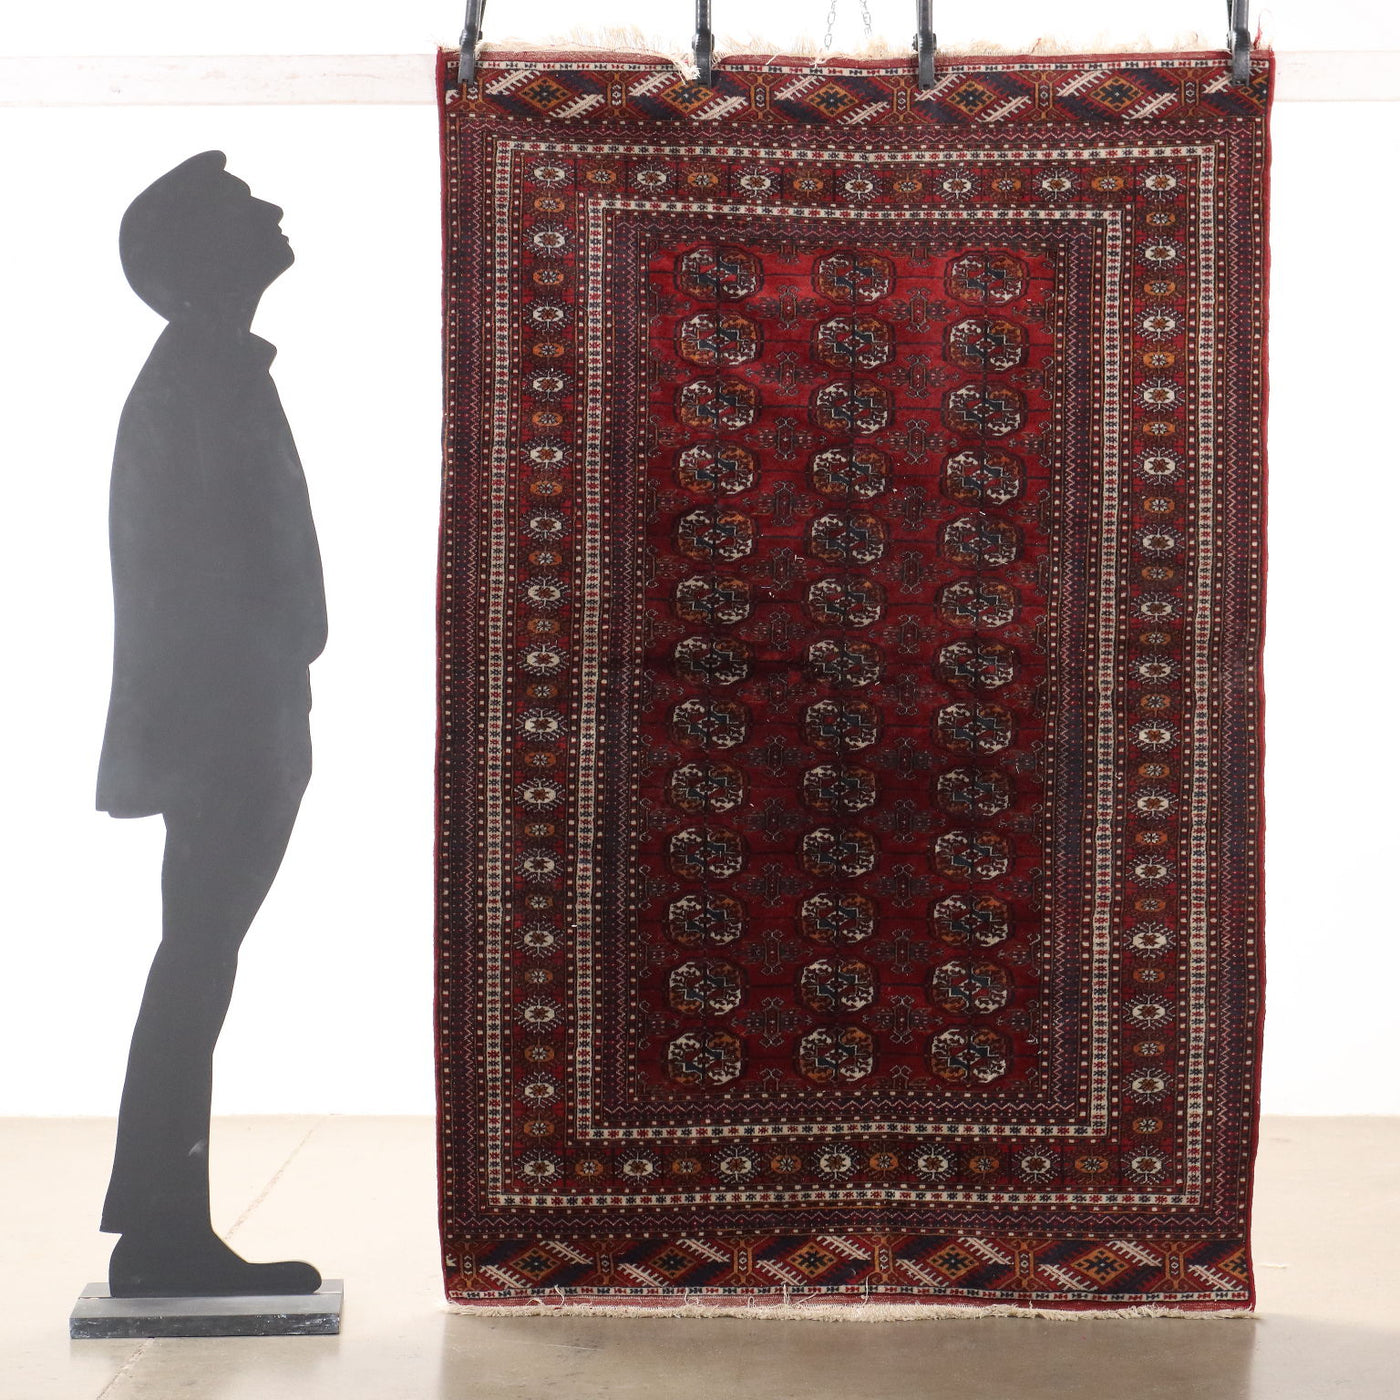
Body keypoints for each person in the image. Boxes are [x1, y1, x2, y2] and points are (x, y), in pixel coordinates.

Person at [96, 151, 326, 1297]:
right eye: (242, 207)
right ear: (200, 255)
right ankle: (159, 1230)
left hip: (236, 710)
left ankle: (159, 1221)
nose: (270, 209)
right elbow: (182, 573)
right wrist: (250, 694)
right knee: (195, 960)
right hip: (224, 719)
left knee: (197, 959)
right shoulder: (197, 376)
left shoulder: (209, 369)